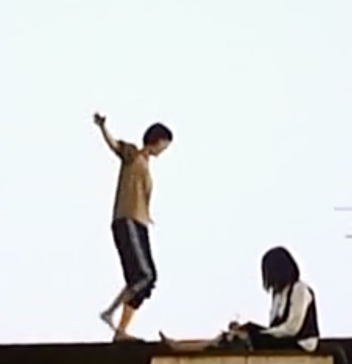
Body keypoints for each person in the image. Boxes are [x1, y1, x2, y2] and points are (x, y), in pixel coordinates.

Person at [93, 112, 173, 342]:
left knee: (146, 280)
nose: (163, 150)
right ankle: (110, 315)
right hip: (127, 221)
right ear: (157, 141)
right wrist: (102, 127)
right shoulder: (134, 155)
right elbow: (114, 145)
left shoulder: (146, 165)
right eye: (164, 145)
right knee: (144, 275)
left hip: (139, 224)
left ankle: (118, 327)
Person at [160, 246, 320, 351]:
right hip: (282, 341)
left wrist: (258, 333)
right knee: (232, 336)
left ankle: (181, 347)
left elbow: (292, 328)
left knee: (237, 338)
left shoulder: (299, 289)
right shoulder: (278, 296)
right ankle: (182, 346)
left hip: (300, 344)